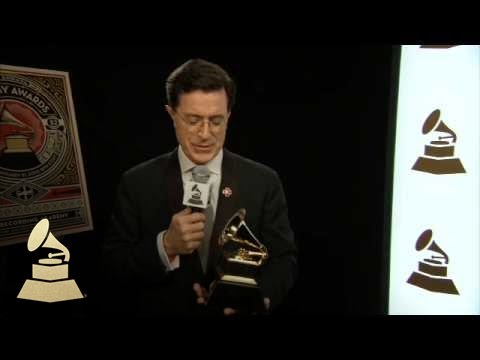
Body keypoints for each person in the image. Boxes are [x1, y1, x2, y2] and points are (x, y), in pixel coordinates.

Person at [100, 58, 297, 317]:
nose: (205, 134)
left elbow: (284, 260)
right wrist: (166, 245)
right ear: (171, 114)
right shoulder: (137, 182)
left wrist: (258, 301)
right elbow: (114, 265)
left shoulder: (264, 180)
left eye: (216, 121)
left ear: (228, 116)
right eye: (193, 120)